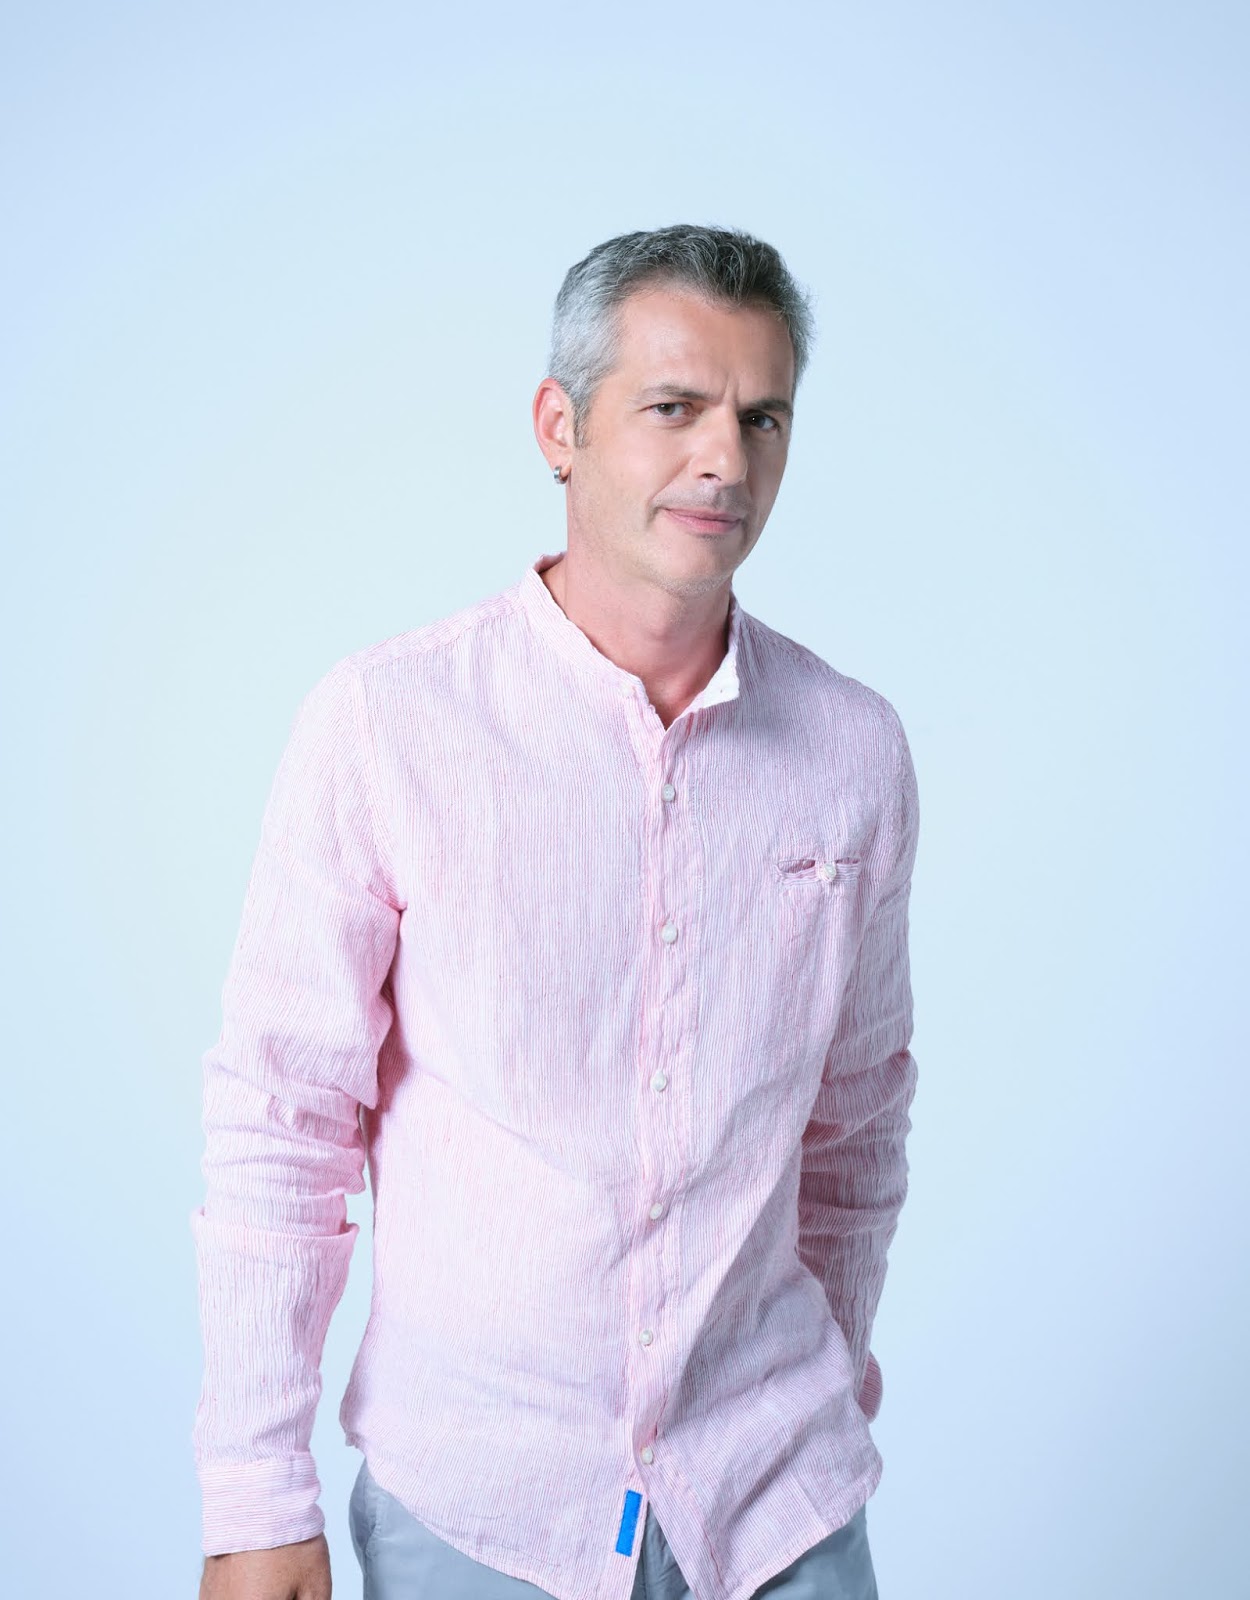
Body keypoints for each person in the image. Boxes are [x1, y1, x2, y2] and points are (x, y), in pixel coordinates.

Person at [193, 223, 919, 1600]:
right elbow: (281, 1120)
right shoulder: (388, 725)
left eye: (762, 417)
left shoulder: (852, 750)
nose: (725, 459)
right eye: (674, 408)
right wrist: (254, 1498)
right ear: (560, 427)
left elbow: (857, 1122)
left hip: (779, 1505)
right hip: (481, 1510)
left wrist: (824, 1396)